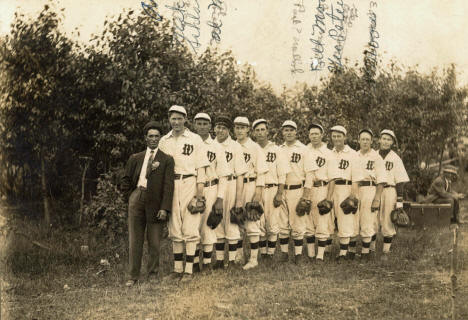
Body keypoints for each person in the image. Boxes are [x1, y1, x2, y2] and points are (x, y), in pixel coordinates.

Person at [120, 121, 174, 286]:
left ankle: (152, 274)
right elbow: (125, 180)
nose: (153, 139)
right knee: (135, 240)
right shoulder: (136, 158)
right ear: (145, 138)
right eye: (150, 136)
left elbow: (168, 186)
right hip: (137, 198)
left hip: (156, 202)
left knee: (155, 241)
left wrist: (165, 208)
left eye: (157, 136)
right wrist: (131, 196)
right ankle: (133, 276)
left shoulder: (166, 160)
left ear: (160, 138)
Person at [159, 105, 209, 282]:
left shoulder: (195, 139)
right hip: (171, 184)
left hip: (190, 181)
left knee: (190, 226)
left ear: (186, 119)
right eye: (173, 118)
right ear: (169, 119)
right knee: (175, 227)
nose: (177, 122)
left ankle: (189, 270)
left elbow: (201, 168)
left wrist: (199, 194)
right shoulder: (164, 140)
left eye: (180, 118)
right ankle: (177, 269)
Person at [192, 112, 230, 272]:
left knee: (208, 225)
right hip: (191, 187)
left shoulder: (216, 147)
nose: (201, 127)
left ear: (210, 126)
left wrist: (220, 198)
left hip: (211, 186)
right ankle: (193, 263)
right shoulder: (189, 142)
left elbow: (223, 175)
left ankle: (207, 263)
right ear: (194, 125)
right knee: (192, 225)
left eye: (205, 124)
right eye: (198, 123)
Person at [279, 120, 318, 264]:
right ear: (282, 132)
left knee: (298, 224)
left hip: (297, 188)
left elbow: (310, 174)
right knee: (282, 223)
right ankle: (284, 254)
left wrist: (306, 195)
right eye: (286, 130)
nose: (288, 132)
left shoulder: (303, 149)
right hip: (282, 189)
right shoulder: (279, 149)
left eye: (291, 130)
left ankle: (298, 255)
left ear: (296, 132)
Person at [212, 114, 248, 269]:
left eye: (224, 128)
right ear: (214, 128)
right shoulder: (210, 145)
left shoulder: (235, 147)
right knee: (216, 220)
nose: (220, 130)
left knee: (232, 222)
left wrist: (239, 199)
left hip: (231, 184)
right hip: (215, 185)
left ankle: (232, 260)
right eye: (218, 127)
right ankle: (220, 260)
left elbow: (240, 174)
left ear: (228, 131)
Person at [233, 116, 269, 270]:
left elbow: (261, 172)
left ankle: (254, 259)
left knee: (252, 222)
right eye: (237, 127)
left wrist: (258, 193)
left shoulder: (255, 147)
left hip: (251, 184)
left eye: (243, 127)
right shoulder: (232, 146)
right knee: (237, 221)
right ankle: (239, 255)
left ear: (248, 129)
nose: (239, 130)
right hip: (234, 185)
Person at [252, 119, 290, 260]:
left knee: (273, 222)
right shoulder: (252, 148)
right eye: (257, 130)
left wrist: (280, 193)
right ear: (254, 132)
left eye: (263, 129)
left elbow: (282, 174)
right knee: (258, 221)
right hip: (256, 189)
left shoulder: (276, 150)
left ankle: (271, 253)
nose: (260, 133)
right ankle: (263, 253)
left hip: (272, 188)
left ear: (268, 131)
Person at [305, 123, 339, 261]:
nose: (314, 136)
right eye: (311, 133)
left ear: (322, 135)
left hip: (323, 188)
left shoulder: (329, 153)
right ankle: (311, 254)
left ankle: (320, 256)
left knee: (322, 221)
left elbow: (332, 179)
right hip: (308, 188)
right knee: (308, 221)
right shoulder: (305, 151)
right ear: (309, 135)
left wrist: (329, 198)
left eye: (316, 133)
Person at [329, 125, 361, 261]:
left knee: (345, 219)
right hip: (332, 187)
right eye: (334, 136)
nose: (336, 139)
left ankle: (344, 253)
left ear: (345, 137)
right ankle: (347, 250)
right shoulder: (329, 153)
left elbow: (356, 177)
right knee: (333, 218)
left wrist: (352, 196)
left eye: (339, 136)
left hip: (347, 187)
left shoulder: (352, 154)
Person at [355, 129, 387, 260]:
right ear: (358, 140)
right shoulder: (355, 155)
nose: (365, 142)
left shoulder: (376, 157)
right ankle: (353, 251)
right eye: (362, 139)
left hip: (370, 188)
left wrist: (377, 198)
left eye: (367, 139)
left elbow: (381, 180)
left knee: (368, 220)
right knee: (355, 219)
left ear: (372, 141)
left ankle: (365, 253)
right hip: (356, 188)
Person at [377, 129, 410, 257]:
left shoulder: (395, 158)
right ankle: (370, 249)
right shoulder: (373, 155)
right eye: (383, 138)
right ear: (379, 140)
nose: (385, 141)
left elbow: (400, 181)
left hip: (390, 189)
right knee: (373, 219)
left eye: (388, 139)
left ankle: (386, 251)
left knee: (388, 220)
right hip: (374, 189)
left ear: (392, 142)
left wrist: (400, 202)